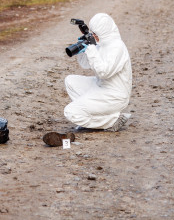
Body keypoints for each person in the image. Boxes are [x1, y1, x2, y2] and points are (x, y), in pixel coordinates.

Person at [43, 13, 132, 146]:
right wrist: (83, 48)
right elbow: (85, 65)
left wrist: (91, 48)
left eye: (95, 33)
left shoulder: (117, 48)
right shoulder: (102, 43)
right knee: (70, 81)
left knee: (71, 112)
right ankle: (92, 117)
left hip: (115, 95)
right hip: (101, 87)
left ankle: (113, 120)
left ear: (104, 32)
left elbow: (103, 72)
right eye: (92, 33)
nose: (94, 36)